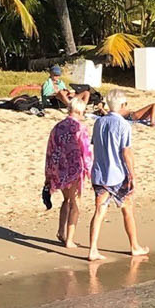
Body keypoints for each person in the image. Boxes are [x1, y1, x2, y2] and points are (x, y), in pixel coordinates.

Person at [86, 94, 149, 262]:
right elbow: (126, 152)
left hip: (99, 173)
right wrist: (133, 174)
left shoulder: (99, 122)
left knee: (99, 212)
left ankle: (93, 249)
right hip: (117, 175)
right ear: (122, 105)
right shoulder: (123, 124)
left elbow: (96, 145)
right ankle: (134, 246)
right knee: (127, 209)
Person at [43, 93, 93, 248]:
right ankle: (69, 239)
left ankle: (61, 232)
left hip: (58, 169)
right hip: (74, 169)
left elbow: (50, 150)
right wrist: (90, 171)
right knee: (75, 203)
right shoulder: (79, 127)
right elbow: (86, 151)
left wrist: (48, 174)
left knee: (66, 200)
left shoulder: (57, 127)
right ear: (79, 111)